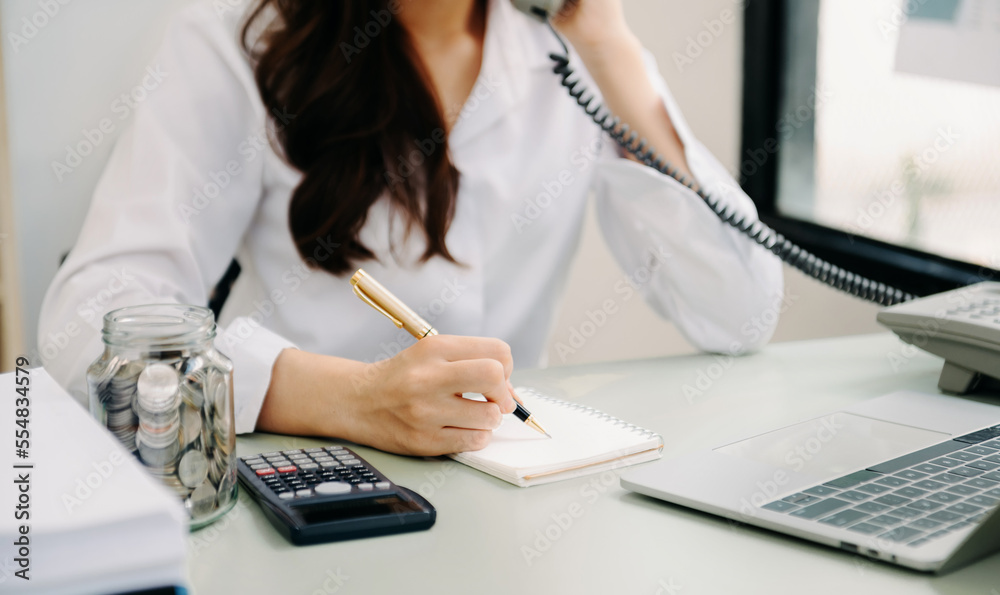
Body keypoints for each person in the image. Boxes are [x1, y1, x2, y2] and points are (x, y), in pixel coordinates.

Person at [39, 0, 783, 456]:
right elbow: (86, 320)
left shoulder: (568, 54)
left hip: (505, 487)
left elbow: (740, 310)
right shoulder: (235, 39)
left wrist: (610, 44)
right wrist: (349, 398)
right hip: (296, 477)